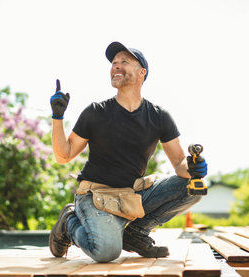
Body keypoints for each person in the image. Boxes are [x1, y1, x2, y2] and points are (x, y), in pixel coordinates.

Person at [48, 41, 207, 263]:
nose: (116, 66)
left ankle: (136, 233)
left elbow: (180, 163)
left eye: (124, 61)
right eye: (114, 63)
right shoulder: (96, 112)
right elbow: (63, 155)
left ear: (142, 72)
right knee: (106, 252)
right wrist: (58, 118)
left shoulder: (159, 116)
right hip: (94, 197)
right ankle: (69, 222)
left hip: (131, 195)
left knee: (192, 187)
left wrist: (193, 168)